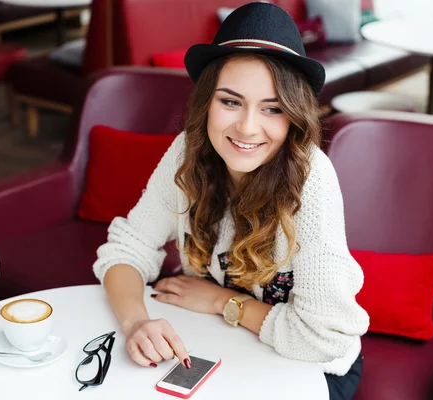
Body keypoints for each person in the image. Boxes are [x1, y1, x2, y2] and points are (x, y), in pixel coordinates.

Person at [92, 2, 370, 399]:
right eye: (230, 101)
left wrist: (225, 302)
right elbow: (127, 247)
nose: (247, 127)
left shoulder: (311, 178)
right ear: (207, 101)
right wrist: (137, 323)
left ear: (293, 115)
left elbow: (323, 339)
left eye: (272, 108)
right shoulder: (189, 151)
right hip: (221, 342)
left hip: (310, 368)